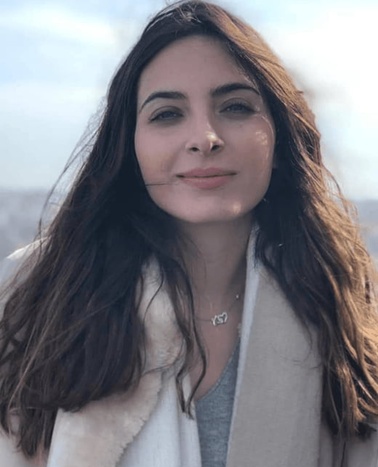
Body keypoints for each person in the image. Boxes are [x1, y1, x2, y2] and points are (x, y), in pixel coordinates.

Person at [0, 1, 377, 466]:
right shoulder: (34, 303)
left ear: (279, 139)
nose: (205, 137)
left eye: (235, 107)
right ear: (129, 147)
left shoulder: (345, 311)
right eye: (167, 114)